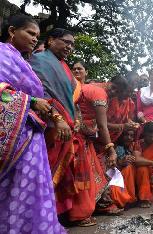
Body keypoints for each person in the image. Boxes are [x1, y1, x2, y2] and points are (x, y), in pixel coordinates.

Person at [0, 14, 66, 233]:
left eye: (37, 36)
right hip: (12, 136)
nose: (34, 39)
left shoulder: (22, 61)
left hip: (30, 133)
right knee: (14, 188)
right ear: (12, 31)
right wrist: (31, 101)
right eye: (30, 33)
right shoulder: (2, 54)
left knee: (31, 188)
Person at [29, 28, 78, 217]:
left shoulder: (63, 65)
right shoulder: (39, 60)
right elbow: (40, 92)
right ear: (50, 40)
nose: (70, 47)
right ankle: (39, 217)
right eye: (66, 42)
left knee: (58, 174)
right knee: (45, 173)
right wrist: (57, 118)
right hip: (50, 125)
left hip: (66, 124)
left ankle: (53, 217)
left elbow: (70, 98)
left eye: (72, 44)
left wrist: (76, 118)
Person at [72, 61, 123, 224]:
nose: (76, 70)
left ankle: (99, 205)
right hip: (76, 139)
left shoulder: (87, 88)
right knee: (84, 176)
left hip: (83, 138)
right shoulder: (98, 92)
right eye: (74, 68)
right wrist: (111, 149)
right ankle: (79, 214)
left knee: (94, 174)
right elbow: (102, 125)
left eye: (80, 68)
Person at [113, 129, 153, 208]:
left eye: (131, 136)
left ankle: (143, 198)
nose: (129, 138)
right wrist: (120, 163)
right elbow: (110, 169)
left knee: (142, 169)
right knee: (129, 168)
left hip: (135, 178)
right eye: (126, 135)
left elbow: (137, 161)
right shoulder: (115, 148)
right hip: (119, 179)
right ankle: (128, 199)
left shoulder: (134, 145)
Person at [104, 75, 139, 143]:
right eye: (127, 91)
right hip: (101, 135)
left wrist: (132, 124)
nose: (129, 94)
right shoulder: (109, 98)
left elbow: (127, 119)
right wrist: (122, 126)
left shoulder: (131, 103)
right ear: (121, 88)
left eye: (131, 92)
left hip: (114, 138)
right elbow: (100, 123)